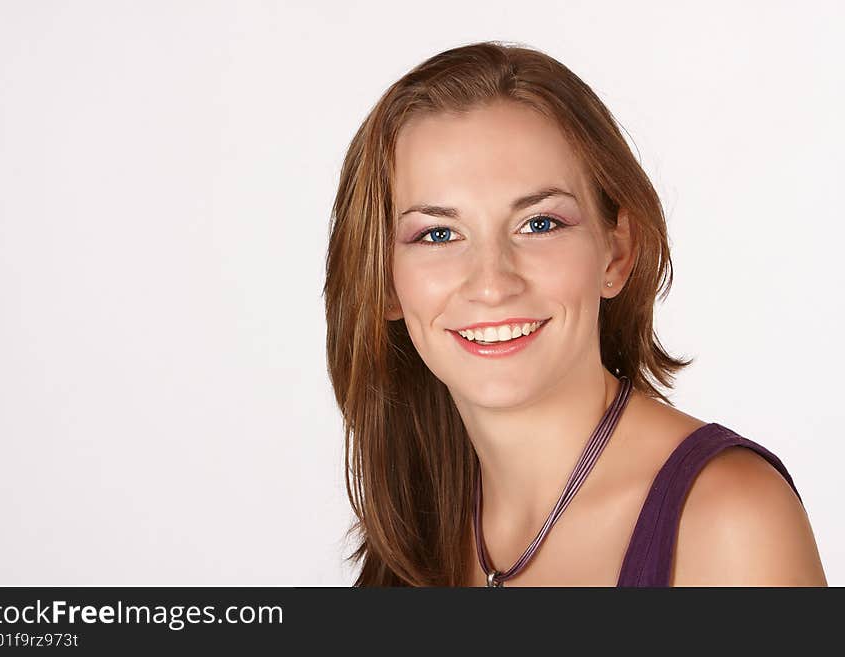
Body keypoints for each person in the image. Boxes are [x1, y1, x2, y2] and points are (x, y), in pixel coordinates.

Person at [323, 40, 827, 586]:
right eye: (438, 233)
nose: (492, 284)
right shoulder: (415, 521)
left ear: (616, 253)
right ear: (385, 283)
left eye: (540, 224)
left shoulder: (731, 520)